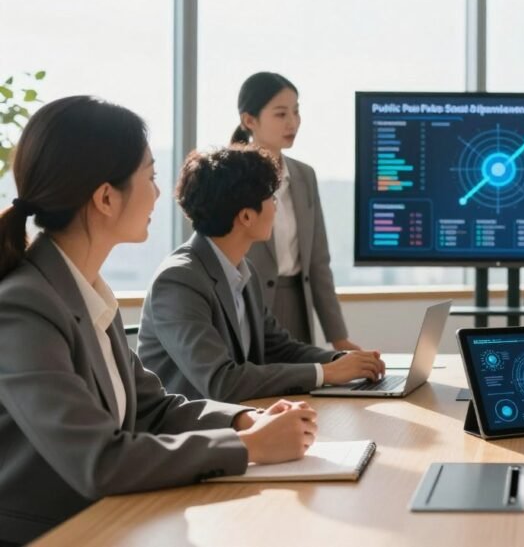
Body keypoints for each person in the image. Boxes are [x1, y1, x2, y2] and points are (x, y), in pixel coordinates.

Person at [0, 96, 317, 545]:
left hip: (114, 521)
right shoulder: (23, 308)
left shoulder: (86, 292)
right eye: (149, 176)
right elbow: (99, 459)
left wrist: (247, 420)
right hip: (58, 534)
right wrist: (250, 447)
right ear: (106, 198)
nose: (157, 191)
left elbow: (154, 408)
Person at [137, 146, 385, 403]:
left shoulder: (244, 272)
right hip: (189, 435)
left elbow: (278, 348)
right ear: (246, 216)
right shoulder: (179, 280)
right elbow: (221, 381)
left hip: (240, 420)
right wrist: (325, 373)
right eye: (272, 198)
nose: (276, 208)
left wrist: (343, 362)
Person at [231, 72, 359, 350]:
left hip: (297, 304)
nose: (292, 122)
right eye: (280, 114)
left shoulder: (304, 176)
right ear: (249, 120)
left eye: (296, 111)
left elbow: (318, 262)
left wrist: (338, 337)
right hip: (245, 305)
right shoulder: (229, 176)